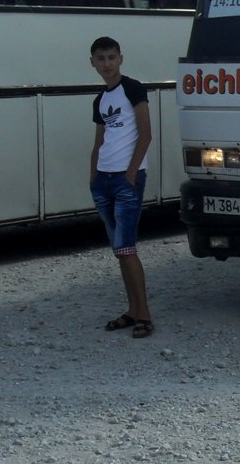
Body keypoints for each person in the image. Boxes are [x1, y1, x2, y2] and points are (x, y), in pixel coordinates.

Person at [88, 36, 154, 338]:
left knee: (127, 249)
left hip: (126, 180)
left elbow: (146, 133)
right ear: (93, 62)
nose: (107, 64)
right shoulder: (100, 99)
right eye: (101, 58)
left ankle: (145, 315)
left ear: (121, 59)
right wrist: (93, 177)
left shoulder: (132, 88)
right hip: (103, 180)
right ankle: (132, 310)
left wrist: (130, 172)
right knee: (119, 250)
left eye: (112, 57)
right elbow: (100, 141)